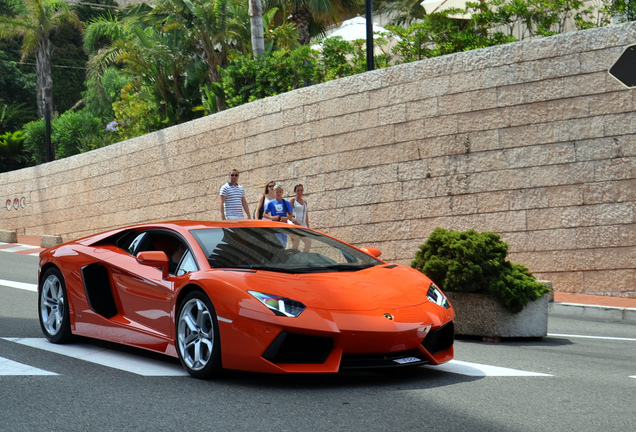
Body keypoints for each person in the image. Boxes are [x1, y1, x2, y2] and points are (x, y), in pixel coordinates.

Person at [289, 184, 311, 252]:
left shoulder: (305, 202)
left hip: (303, 225)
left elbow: (306, 215)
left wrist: (308, 227)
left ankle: (304, 256)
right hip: (294, 225)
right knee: (296, 241)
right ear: (295, 191)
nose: (299, 192)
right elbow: (288, 214)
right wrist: (295, 221)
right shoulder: (292, 200)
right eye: (298, 190)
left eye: (301, 190)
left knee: (308, 242)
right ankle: (292, 256)